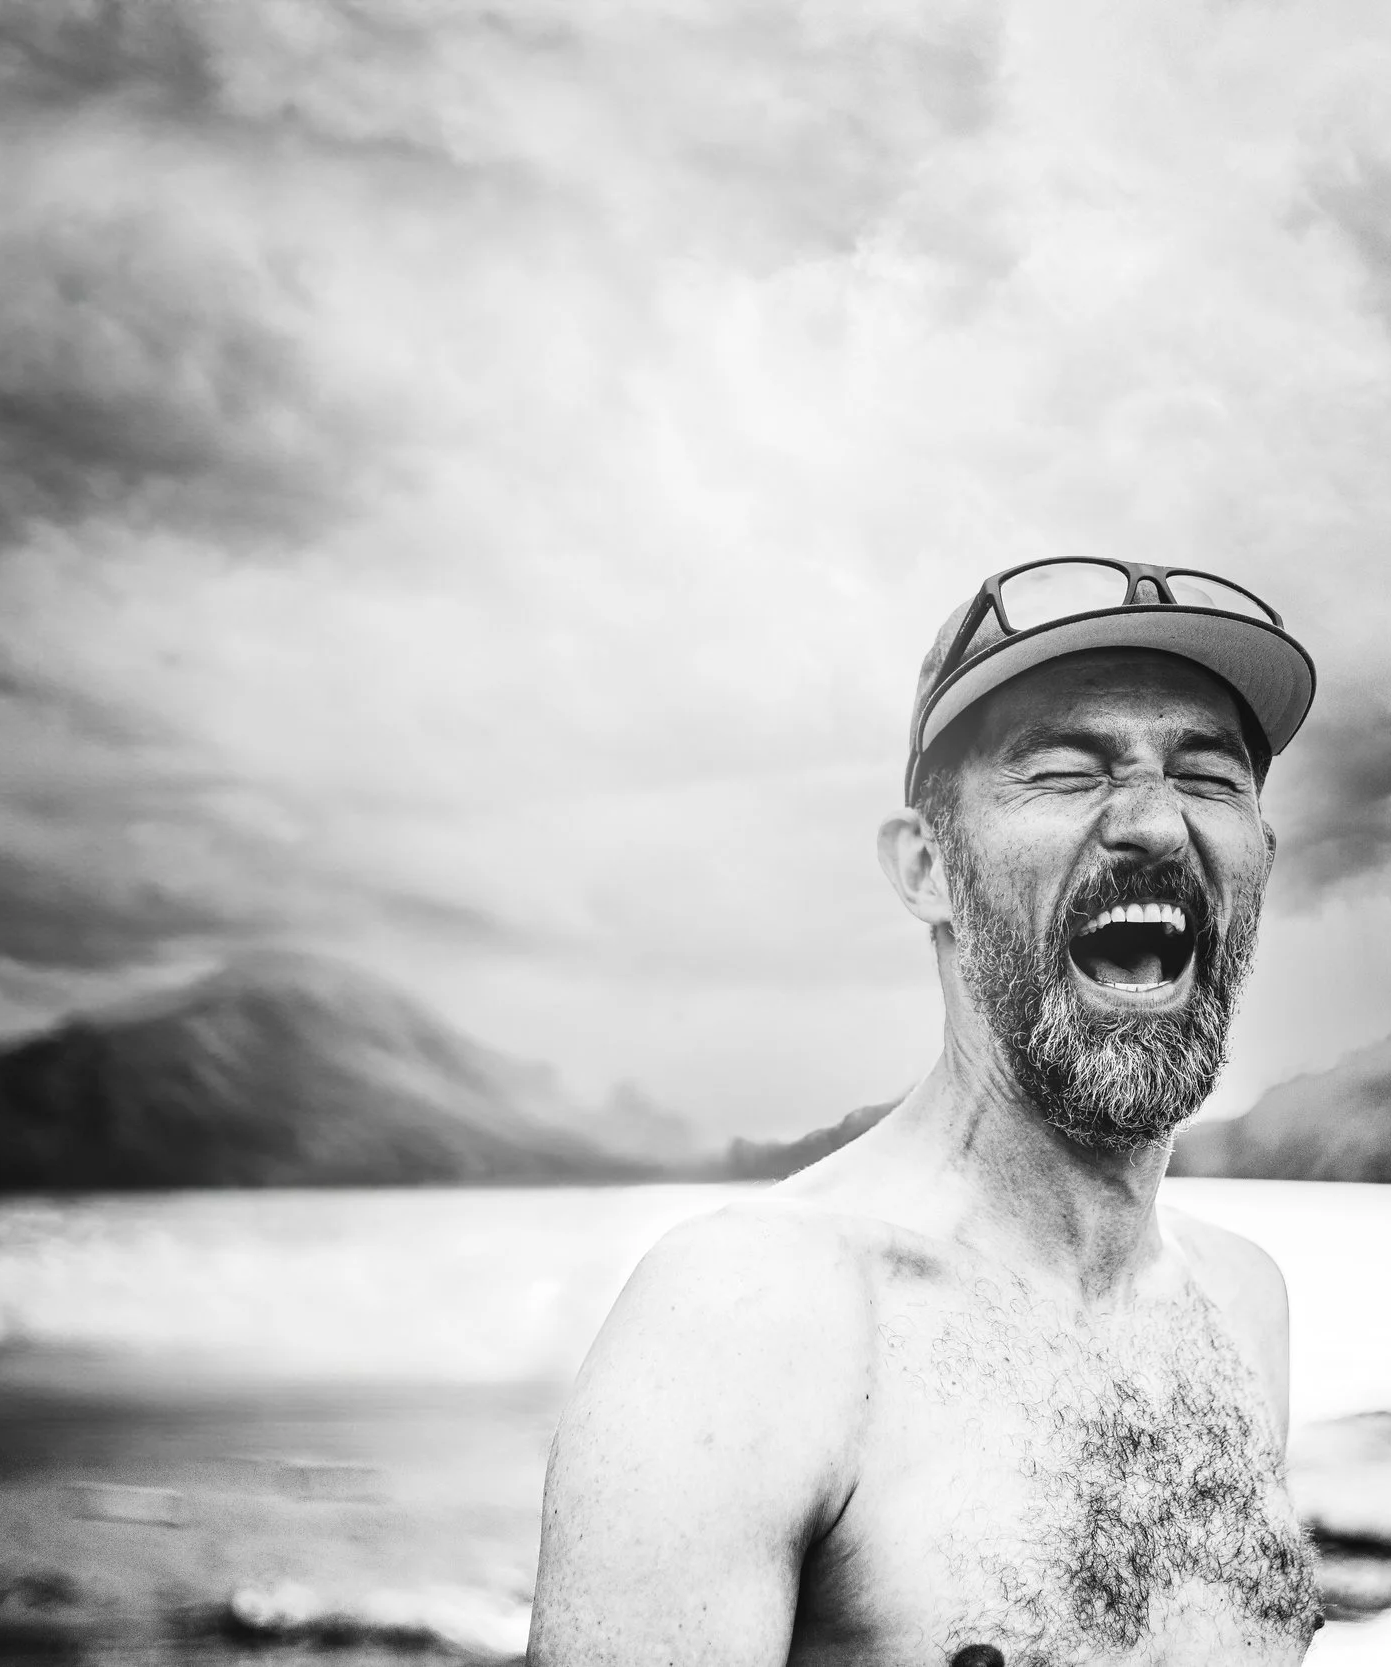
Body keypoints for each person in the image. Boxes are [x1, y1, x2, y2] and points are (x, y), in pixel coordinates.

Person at [529, 560, 1321, 1665]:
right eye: (1060, 769)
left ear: (1262, 860)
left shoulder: (1244, 1304)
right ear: (926, 866)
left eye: (1209, 775)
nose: (1153, 821)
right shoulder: (754, 1318)